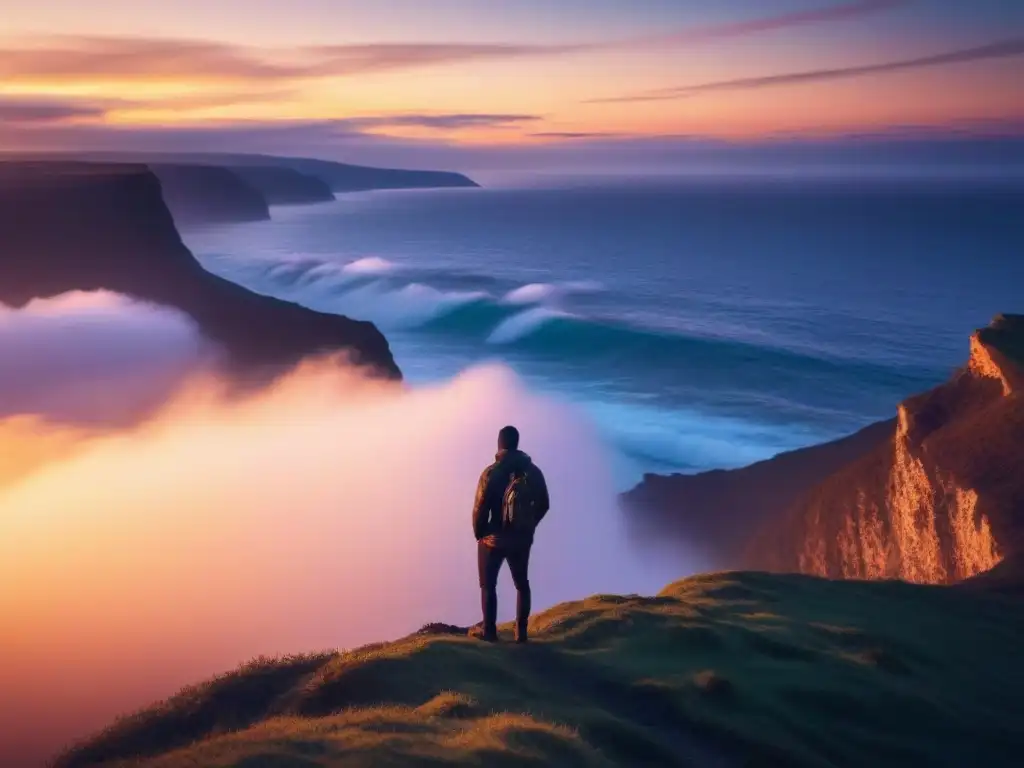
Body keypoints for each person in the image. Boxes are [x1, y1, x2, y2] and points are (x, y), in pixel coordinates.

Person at [470, 425, 549, 643]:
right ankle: (521, 634)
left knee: (488, 585)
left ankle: (489, 632)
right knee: (522, 584)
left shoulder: (490, 473)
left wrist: (480, 533)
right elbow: (544, 504)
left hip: (492, 540)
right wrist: (529, 526)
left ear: (499, 444)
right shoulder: (533, 472)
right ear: (517, 443)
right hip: (521, 539)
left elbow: (479, 508)